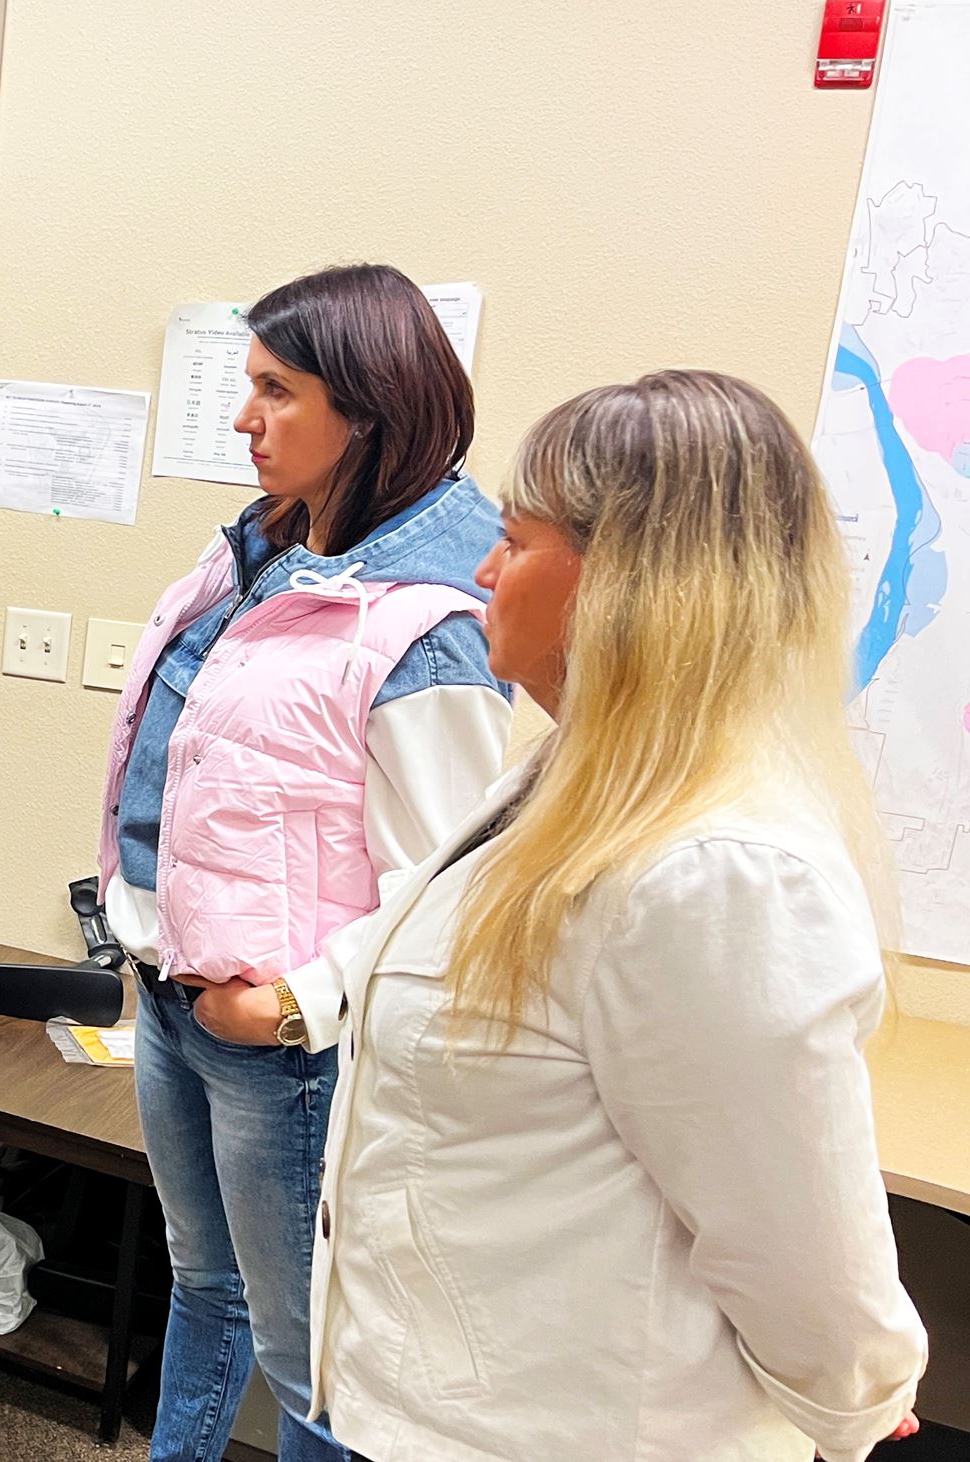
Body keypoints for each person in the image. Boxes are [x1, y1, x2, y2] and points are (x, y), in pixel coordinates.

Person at [305, 370, 927, 1462]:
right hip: (427, 1414)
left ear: (626, 583)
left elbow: (803, 1255)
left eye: (513, 540)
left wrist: (856, 1399)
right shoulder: (566, 781)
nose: (483, 570)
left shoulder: (715, 874)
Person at [92, 263, 510, 1462]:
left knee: (306, 1357)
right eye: (246, 385)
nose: (243, 418)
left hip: (277, 1047)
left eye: (275, 390)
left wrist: (291, 1006)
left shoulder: (430, 624)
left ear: (364, 412)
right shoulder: (267, 548)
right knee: (200, 1283)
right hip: (172, 993)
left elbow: (446, 894)